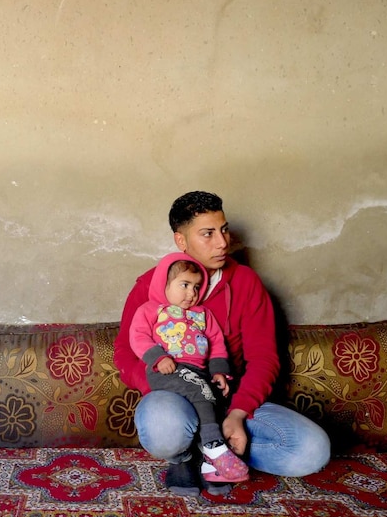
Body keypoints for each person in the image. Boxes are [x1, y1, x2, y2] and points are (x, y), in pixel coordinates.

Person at [114, 191, 330, 496]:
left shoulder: (245, 282)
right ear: (181, 241)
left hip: (229, 400)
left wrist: (238, 413)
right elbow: (125, 350)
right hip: (176, 396)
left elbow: (264, 357)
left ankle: (217, 452)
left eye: (224, 229)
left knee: (313, 450)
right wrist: (163, 384)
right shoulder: (151, 285)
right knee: (162, 423)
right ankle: (185, 455)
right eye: (208, 234)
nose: (223, 243)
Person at [129, 252, 249, 484]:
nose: (191, 293)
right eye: (184, 285)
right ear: (163, 283)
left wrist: (218, 371)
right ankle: (214, 447)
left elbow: (216, 344)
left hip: (199, 372)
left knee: (213, 398)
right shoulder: (152, 309)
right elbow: (138, 336)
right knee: (201, 392)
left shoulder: (203, 315)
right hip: (167, 370)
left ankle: (208, 467)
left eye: (196, 287)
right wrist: (158, 358)